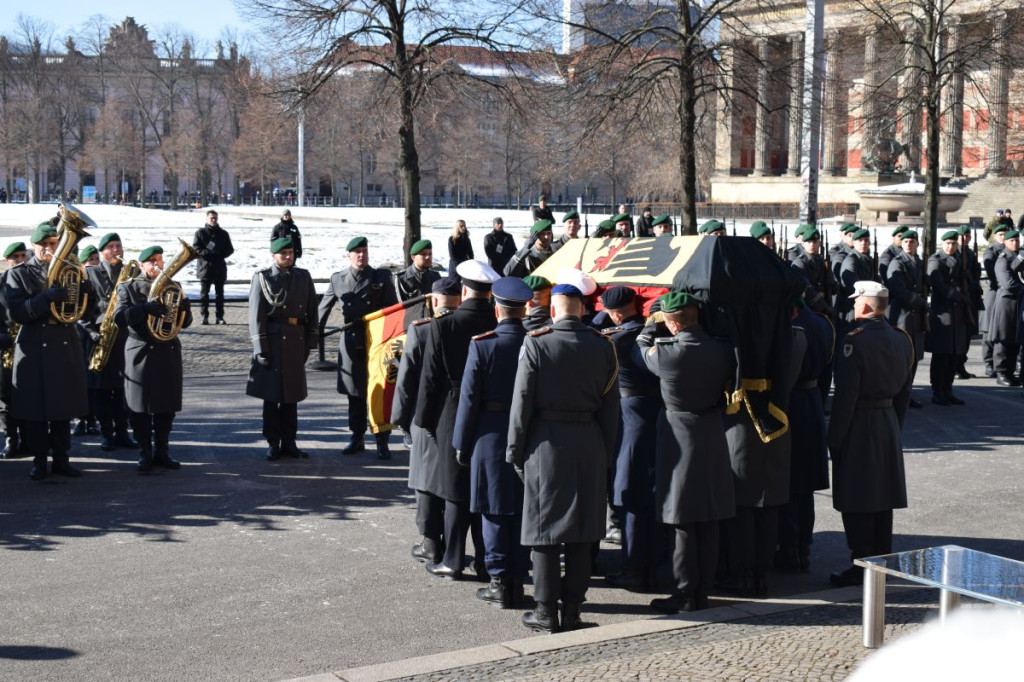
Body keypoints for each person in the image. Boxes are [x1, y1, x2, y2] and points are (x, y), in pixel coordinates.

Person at [508, 283, 620, 632]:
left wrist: (514, 448)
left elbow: (522, 401)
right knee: (581, 531)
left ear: (553, 310)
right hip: (589, 442)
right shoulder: (603, 346)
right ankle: (572, 610)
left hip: (545, 443)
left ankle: (545, 612)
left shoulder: (537, 342)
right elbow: (611, 408)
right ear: (582, 310)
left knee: (544, 531)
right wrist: (607, 452)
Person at [637, 291, 734, 613]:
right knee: (709, 516)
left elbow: (640, 347)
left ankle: (685, 592)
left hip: (678, 435)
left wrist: (652, 323)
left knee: (682, 520)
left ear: (673, 324)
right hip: (712, 432)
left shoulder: (667, 353)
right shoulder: (721, 349)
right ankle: (704, 588)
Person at [452, 276, 534, 608]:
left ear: (496, 309)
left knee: (493, 510)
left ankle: (500, 582)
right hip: (528, 434)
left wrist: (461, 442)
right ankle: (517, 578)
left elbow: (469, 399)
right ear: (524, 310)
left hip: (489, 434)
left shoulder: (483, 344)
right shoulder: (536, 342)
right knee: (522, 509)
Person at [415, 259, 500, 580]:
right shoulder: (498, 321)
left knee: (454, 492)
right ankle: (484, 559)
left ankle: (452, 558)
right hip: (491, 413)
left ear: (464, 290)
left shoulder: (443, 325)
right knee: (484, 490)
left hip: (450, 412)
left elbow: (430, 379)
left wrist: (423, 421)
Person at [828, 280, 913, 586]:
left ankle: (862, 561)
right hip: (888, 420)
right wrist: (895, 426)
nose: (853, 305)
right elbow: (905, 392)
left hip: (859, 424)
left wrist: (835, 439)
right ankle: (883, 557)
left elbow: (846, 397)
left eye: (855, 301)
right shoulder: (902, 338)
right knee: (882, 498)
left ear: (864, 305)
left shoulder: (855, 340)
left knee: (857, 497)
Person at [5, 223, 90, 480]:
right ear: (33, 246)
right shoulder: (20, 273)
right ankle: (39, 461)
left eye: (53, 243)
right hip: (34, 344)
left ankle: (62, 458)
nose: (48, 249)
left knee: (63, 407)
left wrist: (86, 293)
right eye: (43, 244)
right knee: (36, 409)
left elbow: (81, 312)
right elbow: (17, 312)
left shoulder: (69, 269)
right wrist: (46, 298)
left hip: (64, 341)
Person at [393, 277, 462, 565]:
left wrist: (399, 419)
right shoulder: (467, 328)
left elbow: (406, 382)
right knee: (450, 482)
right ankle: (452, 544)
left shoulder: (421, 330)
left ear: (433, 302)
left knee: (425, 481)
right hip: (457, 416)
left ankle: (431, 543)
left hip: (424, 415)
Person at [599, 287, 663, 593]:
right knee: (651, 492)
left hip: (628, 419)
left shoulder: (616, 339)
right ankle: (654, 561)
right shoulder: (656, 333)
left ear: (614, 313)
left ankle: (634, 567)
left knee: (629, 494)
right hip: (659, 416)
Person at [114, 244, 192, 472]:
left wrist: (186, 310)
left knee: (166, 405)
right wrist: (145, 308)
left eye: (160, 259)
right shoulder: (127, 287)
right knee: (139, 406)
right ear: (141, 265)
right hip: (141, 351)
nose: (157, 264)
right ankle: (144, 452)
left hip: (167, 351)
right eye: (152, 261)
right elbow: (120, 318)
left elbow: (184, 324)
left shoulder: (173, 287)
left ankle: (162, 451)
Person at [318, 236, 398, 458]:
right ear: (349, 255)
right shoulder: (338, 279)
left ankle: (382, 439)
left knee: (380, 391)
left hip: (377, 341)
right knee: (354, 393)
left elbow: (392, 310)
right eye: (357, 252)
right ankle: (357, 436)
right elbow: (321, 310)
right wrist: (310, 336)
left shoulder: (380, 277)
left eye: (365, 250)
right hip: (351, 342)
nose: (362, 255)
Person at [247, 237, 319, 460]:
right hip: (273, 341)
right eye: (283, 254)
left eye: (291, 253)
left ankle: (290, 441)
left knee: (291, 398)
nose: (288, 257)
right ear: (273, 256)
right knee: (272, 397)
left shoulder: (303, 277)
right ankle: (273, 442)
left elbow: (312, 311)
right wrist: (261, 348)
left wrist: (310, 342)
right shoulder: (263, 278)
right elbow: (256, 316)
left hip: (296, 341)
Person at [776, 298, 833, 573]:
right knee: (805, 487)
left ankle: (790, 550)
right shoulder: (823, 324)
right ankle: (803, 546)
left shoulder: (789, 326)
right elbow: (827, 373)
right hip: (812, 401)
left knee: (789, 484)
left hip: (790, 403)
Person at [79, 233, 139, 452]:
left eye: (119, 246)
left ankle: (123, 432)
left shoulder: (129, 272)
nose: (116, 250)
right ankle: (106, 433)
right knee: (102, 391)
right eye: (111, 247)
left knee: (123, 389)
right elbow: (80, 310)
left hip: (124, 337)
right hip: (100, 337)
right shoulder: (89, 272)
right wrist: (91, 332)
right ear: (102, 251)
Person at [927, 230, 971, 405]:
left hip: (957, 314)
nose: (951, 246)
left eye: (954, 244)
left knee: (954, 354)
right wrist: (960, 296)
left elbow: (962, 281)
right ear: (942, 244)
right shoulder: (936, 260)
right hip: (943, 313)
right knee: (941, 355)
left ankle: (948, 389)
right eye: (948, 244)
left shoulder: (960, 259)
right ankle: (937, 391)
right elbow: (941, 288)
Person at [886, 230, 928, 407]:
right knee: (903, 356)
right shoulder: (897, 263)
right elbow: (899, 291)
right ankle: (897, 394)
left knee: (915, 355)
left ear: (918, 244)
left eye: (912, 241)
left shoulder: (919, 262)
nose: (909, 244)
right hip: (902, 314)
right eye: (906, 242)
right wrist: (920, 301)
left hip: (916, 314)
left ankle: (907, 393)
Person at [0, 241, 28, 458]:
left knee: (29, 396)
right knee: (6, 398)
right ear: (7, 261)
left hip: (28, 345)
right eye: (15, 257)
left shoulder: (33, 282)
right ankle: (11, 439)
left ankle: (30, 440)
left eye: (22, 256)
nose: (20, 260)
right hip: (5, 346)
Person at [989, 230, 1024, 387]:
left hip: (1018, 303)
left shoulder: (1018, 257)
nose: (1015, 243)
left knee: (1015, 339)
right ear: (1005, 242)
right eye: (1012, 241)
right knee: (1003, 338)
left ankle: (1010, 372)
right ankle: (1001, 372)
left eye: (1017, 240)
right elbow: (1007, 283)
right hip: (1007, 303)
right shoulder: (1002, 260)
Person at [192, 209, 234, 325]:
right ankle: (204, 316)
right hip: (205, 267)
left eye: (215, 218)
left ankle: (219, 317)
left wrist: (220, 254)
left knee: (219, 295)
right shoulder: (200, 233)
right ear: (207, 219)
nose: (214, 220)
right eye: (211, 218)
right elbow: (196, 249)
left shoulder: (223, 233)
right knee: (204, 295)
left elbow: (230, 249)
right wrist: (209, 254)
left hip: (219, 267)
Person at [954, 225, 982, 380]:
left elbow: (975, 273)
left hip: (971, 297)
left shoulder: (970, 253)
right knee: (960, 335)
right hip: (961, 298)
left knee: (968, 334)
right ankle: (956, 366)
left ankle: (961, 365)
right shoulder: (955, 253)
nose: (965, 238)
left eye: (967, 235)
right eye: (962, 236)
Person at [790, 227, 837, 318]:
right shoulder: (800, 263)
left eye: (815, 242)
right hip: (808, 307)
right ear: (803, 244)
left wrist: (833, 285)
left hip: (823, 304)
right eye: (809, 242)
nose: (812, 245)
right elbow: (807, 290)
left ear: (819, 243)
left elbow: (830, 284)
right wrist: (824, 307)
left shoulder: (820, 260)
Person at [838, 228, 877, 336]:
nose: (863, 243)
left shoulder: (868, 259)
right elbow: (852, 283)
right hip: (853, 308)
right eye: (860, 240)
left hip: (867, 306)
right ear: (854, 242)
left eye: (866, 240)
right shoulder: (851, 259)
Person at [981, 225, 1008, 378]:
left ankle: (1002, 362)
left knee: (1003, 329)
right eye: (1001, 234)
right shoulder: (991, 252)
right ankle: (988, 361)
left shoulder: (1011, 251)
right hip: (994, 292)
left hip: (1005, 294)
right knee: (988, 328)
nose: (1003, 237)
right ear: (995, 236)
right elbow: (991, 271)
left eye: (1005, 234)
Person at [395, 239, 440, 320]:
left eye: (430, 254)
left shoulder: (436, 277)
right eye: (423, 254)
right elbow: (399, 308)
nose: (428, 257)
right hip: (409, 324)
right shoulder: (401, 279)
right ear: (413, 257)